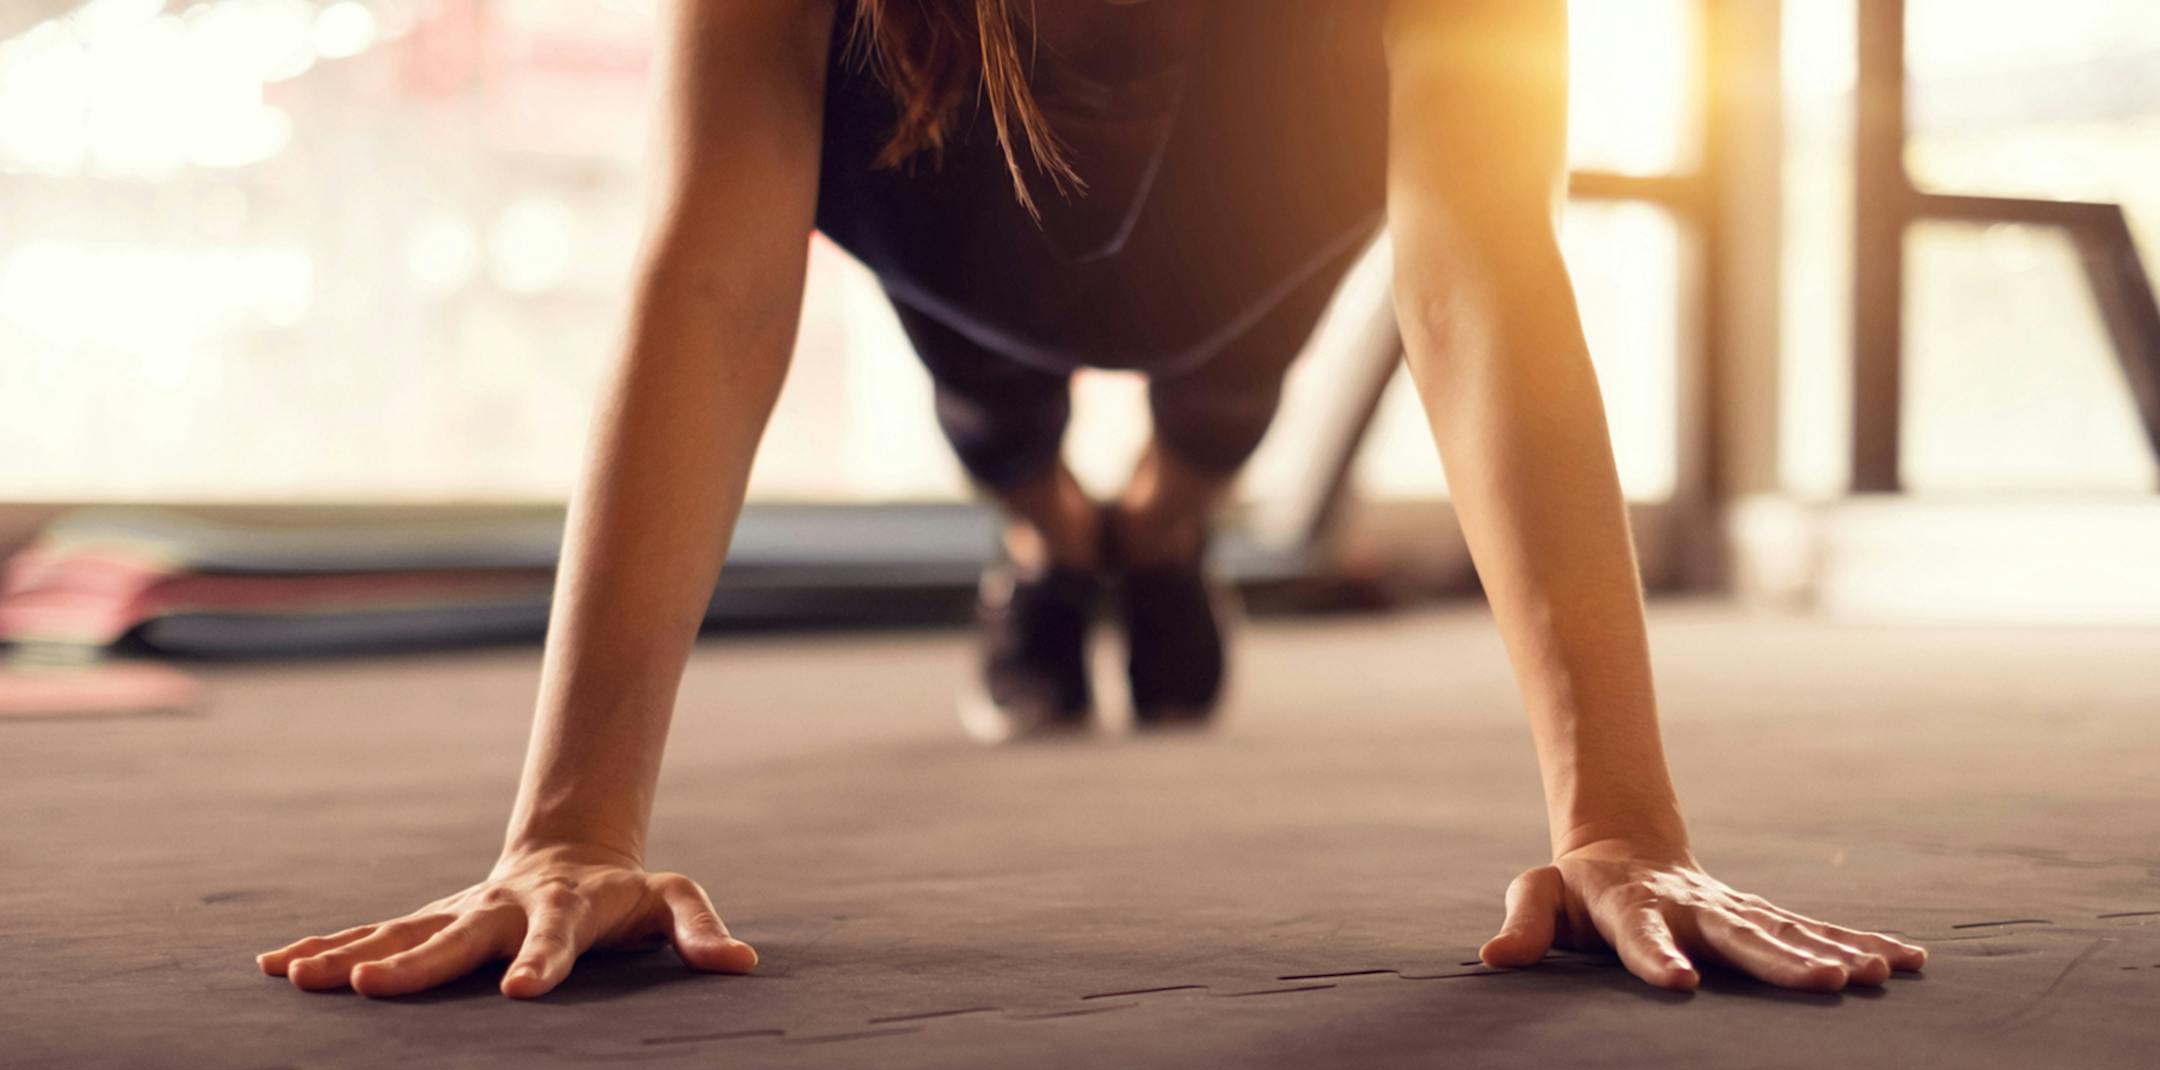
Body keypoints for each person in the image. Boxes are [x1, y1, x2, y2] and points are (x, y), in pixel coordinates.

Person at [257, 0, 1928, 1000]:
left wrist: (1622, 822)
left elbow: (1479, 274)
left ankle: (1166, 529)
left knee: (1214, 415)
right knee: (1001, 420)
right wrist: (568, 826)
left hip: (1255, 220)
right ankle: (1054, 538)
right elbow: (711, 281)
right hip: (944, 190)